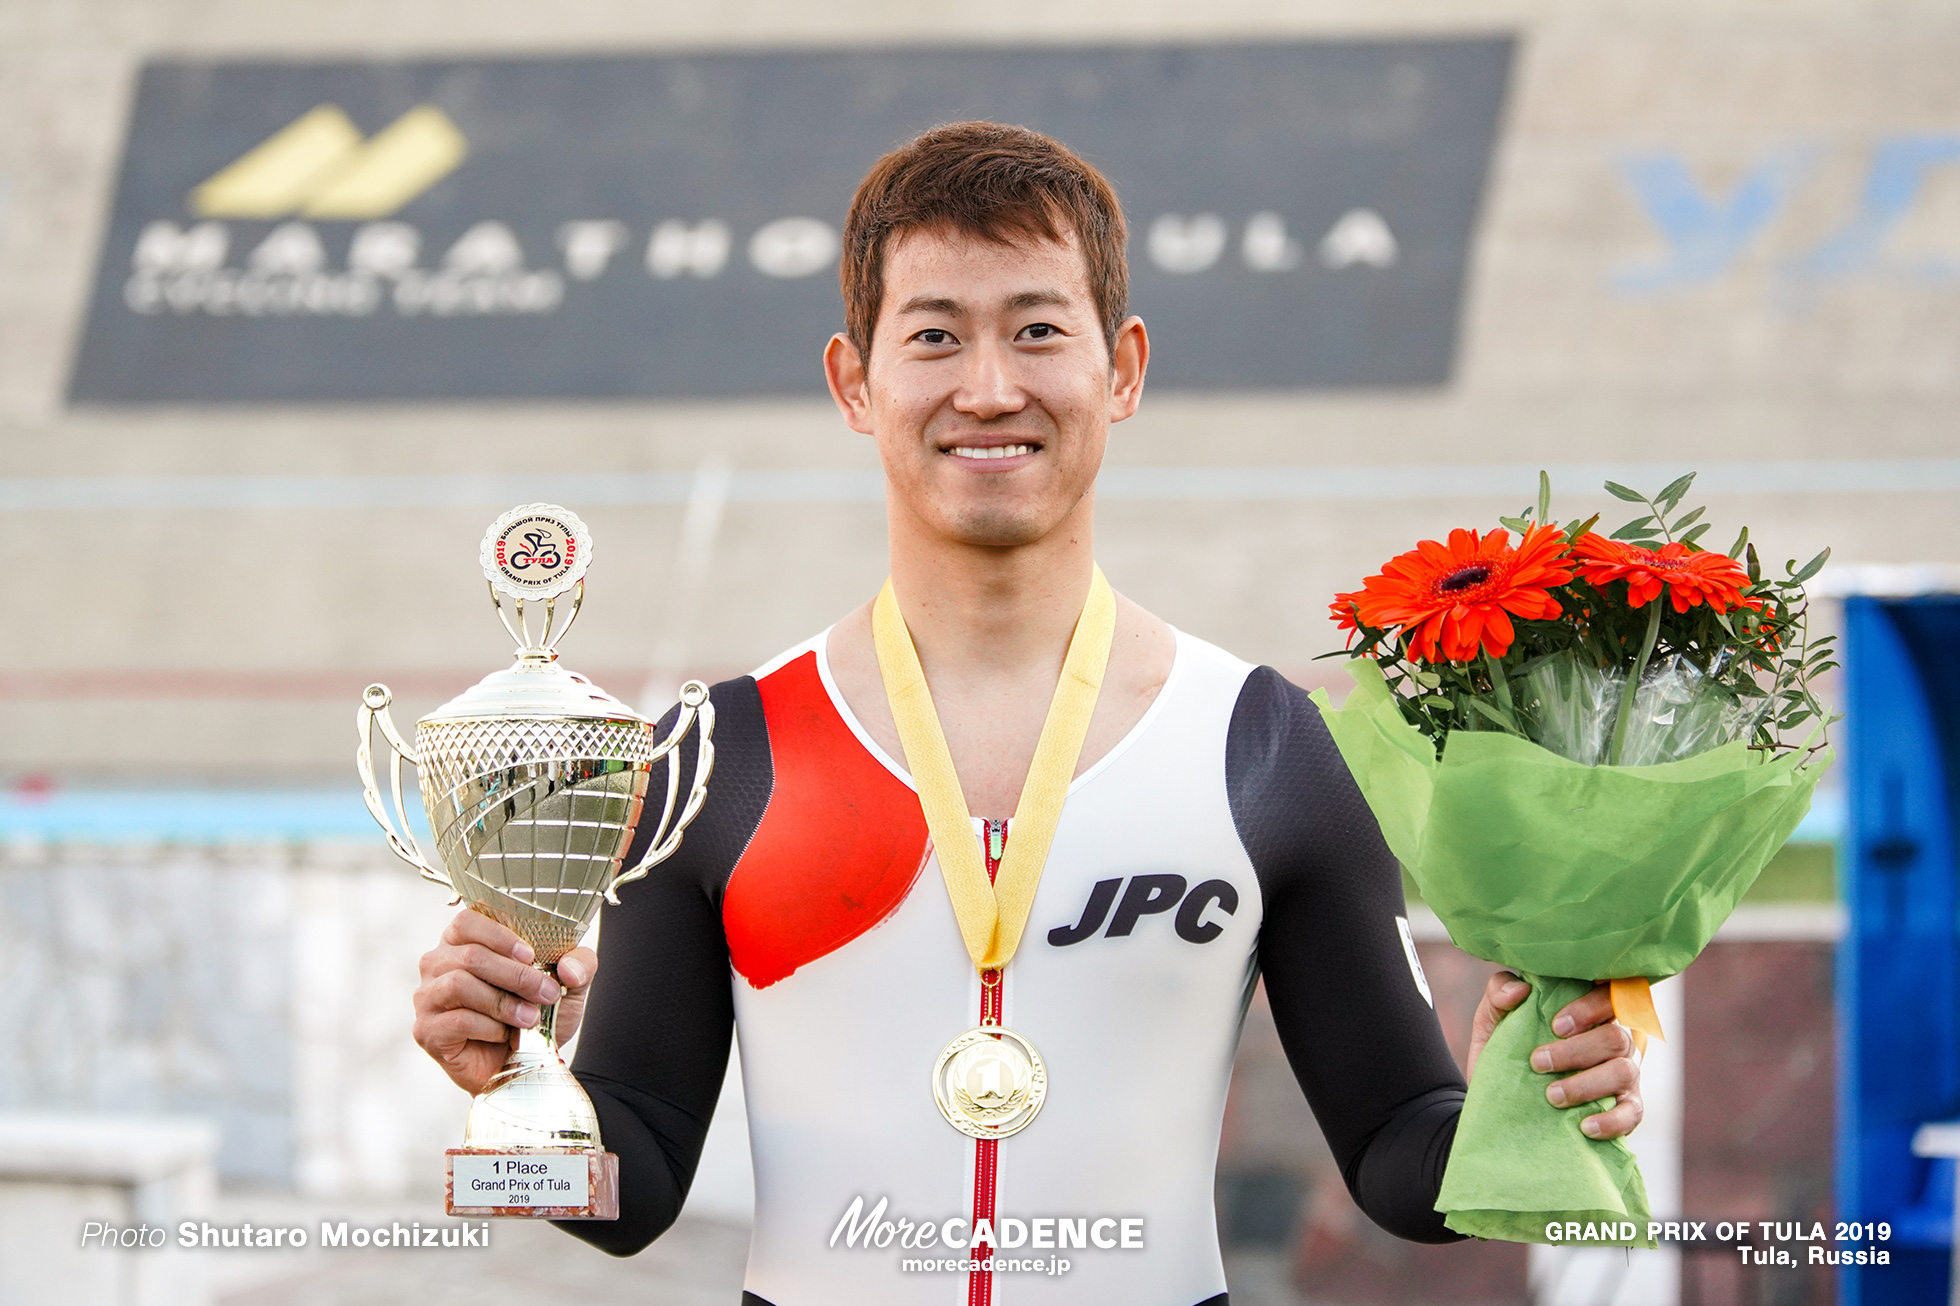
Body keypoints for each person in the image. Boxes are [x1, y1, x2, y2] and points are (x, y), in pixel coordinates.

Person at [412, 121, 1643, 1305]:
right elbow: (637, 1186)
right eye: (935, 336)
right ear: (855, 379)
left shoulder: (1262, 746)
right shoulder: (719, 756)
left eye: (1039, 329)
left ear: (1123, 370)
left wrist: (1511, 1105)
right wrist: (518, 1088)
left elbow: (1399, 1161)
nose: (990, 388)